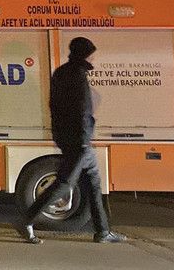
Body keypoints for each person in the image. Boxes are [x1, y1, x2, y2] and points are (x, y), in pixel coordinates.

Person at [14, 37, 126, 244]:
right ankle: (27, 220)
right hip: (79, 141)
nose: (94, 57)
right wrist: (83, 140)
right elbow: (82, 111)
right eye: (91, 54)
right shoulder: (77, 75)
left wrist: (62, 134)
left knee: (93, 184)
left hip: (70, 138)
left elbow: (54, 106)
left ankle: (103, 231)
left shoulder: (61, 72)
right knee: (65, 184)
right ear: (84, 54)